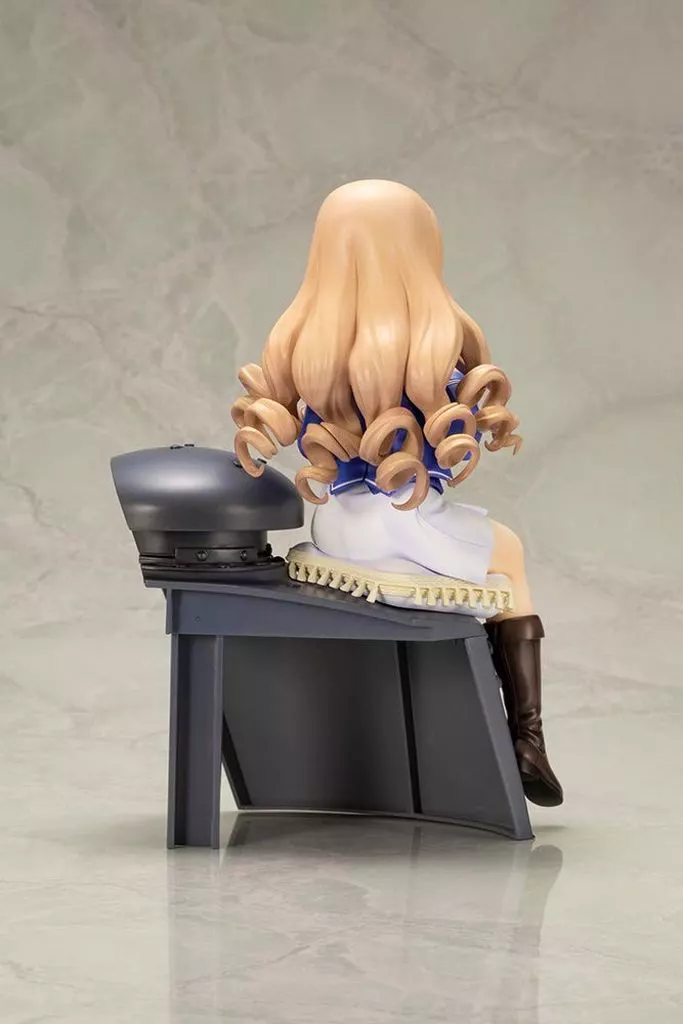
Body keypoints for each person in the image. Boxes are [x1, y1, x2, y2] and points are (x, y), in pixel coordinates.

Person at [232, 179, 563, 808]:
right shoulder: (429, 351)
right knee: (510, 555)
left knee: (474, 544)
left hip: (334, 532)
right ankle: (529, 738)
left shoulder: (306, 350)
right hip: (406, 532)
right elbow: (456, 447)